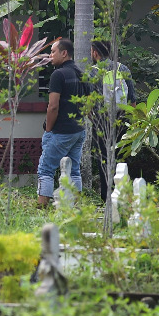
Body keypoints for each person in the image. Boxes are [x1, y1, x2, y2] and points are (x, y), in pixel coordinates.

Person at [37, 38, 94, 206]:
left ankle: (42, 206)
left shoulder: (58, 75)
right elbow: (88, 105)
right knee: (74, 169)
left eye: (53, 52)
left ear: (64, 53)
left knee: (46, 169)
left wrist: (48, 129)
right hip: (78, 131)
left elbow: (53, 106)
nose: (50, 55)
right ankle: (76, 205)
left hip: (61, 131)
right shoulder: (81, 74)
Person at [90, 40, 133, 201]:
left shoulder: (92, 73)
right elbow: (132, 100)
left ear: (95, 52)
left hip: (101, 122)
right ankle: (122, 195)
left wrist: (93, 118)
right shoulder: (123, 69)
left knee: (104, 159)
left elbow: (87, 103)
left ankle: (106, 197)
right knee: (121, 158)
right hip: (122, 120)